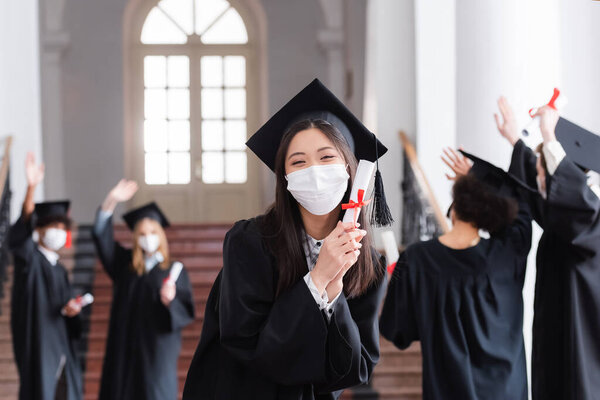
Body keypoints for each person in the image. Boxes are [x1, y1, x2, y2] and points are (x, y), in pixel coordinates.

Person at [182, 79, 388, 399]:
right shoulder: (249, 243)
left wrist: (334, 294)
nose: (314, 171)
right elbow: (251, 348)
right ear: (285, 176)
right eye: (299, 162)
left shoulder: (366, 263)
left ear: (350, 168)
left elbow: (354, 369)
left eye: (326, 157)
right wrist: (318, 279)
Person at [380, 147, 534, 400]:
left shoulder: (417, 260)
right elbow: (521, 213)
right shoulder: (506, 255)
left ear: (453, 210)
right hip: (505, 392)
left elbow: (398, 332)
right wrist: (478, 178)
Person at [495, 97, 600, 400]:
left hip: (583, 350)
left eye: (544, 172)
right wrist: (516, 139)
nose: (540, 179)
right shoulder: (564, 223)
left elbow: (573, 200)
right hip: (558, 338)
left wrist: (550, 137)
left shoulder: (590, 219)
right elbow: (542, 189)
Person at [92, 180, 195, 400]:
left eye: (152, 232)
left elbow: (186, 311)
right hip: (125, 345)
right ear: (135, 238)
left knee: (154, 392)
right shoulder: (124, 265)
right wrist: (111, 201)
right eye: (142, 233)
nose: (148, 238)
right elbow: (102, 238)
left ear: (161, 235)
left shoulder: (174, 271)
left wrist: (170, 301)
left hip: (157, 349)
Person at [9, 152, 83, 400]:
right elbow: (20, 233)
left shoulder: (60, 270)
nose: (58, 233)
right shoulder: (29, 260)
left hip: (62, 349)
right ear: (38, 230)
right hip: (39, 347)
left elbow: (68, 315)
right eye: (52, 227)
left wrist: (73, 310)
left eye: (63, 229)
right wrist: (31, 188)